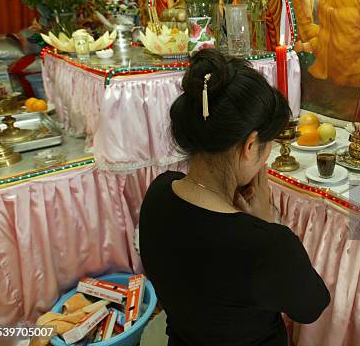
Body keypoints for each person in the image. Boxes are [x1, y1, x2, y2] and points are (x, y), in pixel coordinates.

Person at [139, 49, 330, 346]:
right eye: (267, 148)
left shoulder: (159, 192)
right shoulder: (267, 245)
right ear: (251, 145)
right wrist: (267, 223)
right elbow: (312, 306)